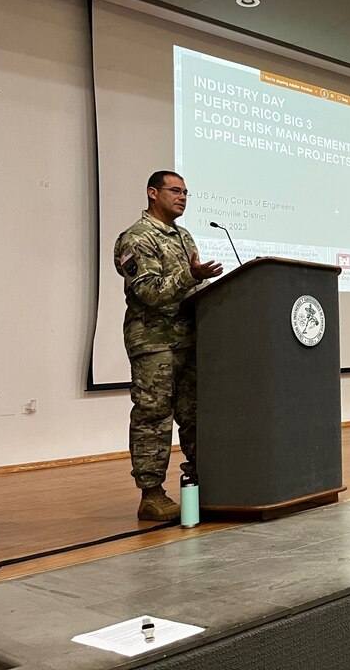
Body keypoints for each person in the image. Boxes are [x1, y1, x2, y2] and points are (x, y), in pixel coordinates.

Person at [114, 171, 222, 521]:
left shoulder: (184, 237)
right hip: (154, 343)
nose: (183, 197)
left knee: (196, 415)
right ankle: (151, 494)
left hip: (190, 340)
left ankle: (205, 481)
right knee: (153, 416)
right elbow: (149, 291)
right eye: (176, 191)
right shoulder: (135, 238)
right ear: (152, 193)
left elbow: (188, 290)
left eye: (186, 192)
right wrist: (191, 276)